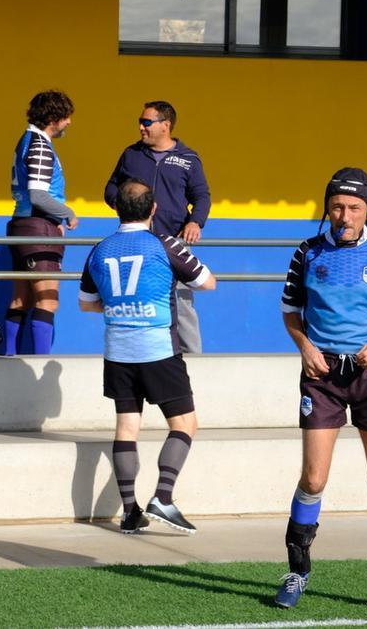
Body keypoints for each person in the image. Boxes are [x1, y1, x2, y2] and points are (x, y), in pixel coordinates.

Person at [275, 168, 367, 614]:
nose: (345, 215)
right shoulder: (307, 252)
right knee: (314, 478)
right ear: (327, 209)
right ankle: (297, 571)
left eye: (354, 207)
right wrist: (304, 346)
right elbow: (291, 314)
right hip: (322, 379)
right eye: (337, 206)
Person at [79, 181, 216, 535]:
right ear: (153, 209)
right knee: (185, 424)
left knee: (127, 427)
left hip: (118, 351)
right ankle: (163, 498)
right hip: (157, 349)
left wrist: (119, 305)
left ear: (116, 209)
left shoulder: (99, 249)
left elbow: (86, 303)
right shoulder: (164, 244)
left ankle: (129, 512)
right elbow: (207, 282)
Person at [103, 100, 211, 354]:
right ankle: (138, 355)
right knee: (136, 302)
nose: (141, 127)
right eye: (140, 121)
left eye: (147, 122)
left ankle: (192, 359)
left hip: (173, 243)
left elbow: (202, 196)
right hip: (135, 241)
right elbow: (110, 188)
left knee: (182, 303)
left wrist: (196, 221)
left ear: (166, 125)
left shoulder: (188, 159)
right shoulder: (131, 154)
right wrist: (124, 205)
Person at [5, 90, 78, 355]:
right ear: (53, 117)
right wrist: (67, 213)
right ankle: (39, 365)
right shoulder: (39, 145)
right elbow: (38, 194)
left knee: (21, 299)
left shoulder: (25, 140)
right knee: (47, 301)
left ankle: (9, 359)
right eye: (67, 117)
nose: (69, 123)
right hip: (38, 228)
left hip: (21, 225)